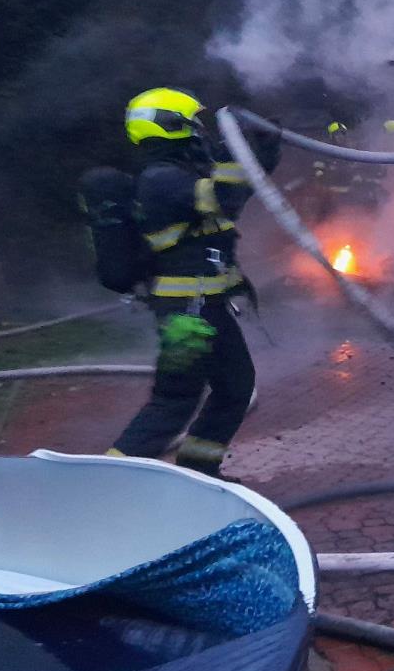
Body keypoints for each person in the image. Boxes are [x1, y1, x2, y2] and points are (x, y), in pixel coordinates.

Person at [106, 87, 279, 477]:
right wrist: (234, 150)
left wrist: (264, 149)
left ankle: (201, 471)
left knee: (235, 389)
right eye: (194, 122)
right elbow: (226, 197)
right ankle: (109, 484)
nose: (200, 130)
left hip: (208, 307)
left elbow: (239, 190)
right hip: (185, 314)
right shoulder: (161, 179)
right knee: (174, 402)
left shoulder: (180, 174)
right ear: (171, 125)